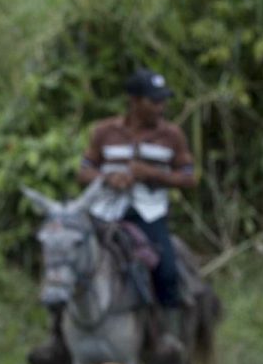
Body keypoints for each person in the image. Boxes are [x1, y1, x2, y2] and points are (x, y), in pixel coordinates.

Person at [78, 68, 197, 311]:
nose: (161, 107)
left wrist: (153, 175)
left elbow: (189, 177)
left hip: (149, 214)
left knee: (167, 272)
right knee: (70, 263)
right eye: (154, 101)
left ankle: (166, 331)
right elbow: (83, 171)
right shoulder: (104, 131)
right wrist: (107, 178)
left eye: (163, 101)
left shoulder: (171, 135)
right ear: (134, 101)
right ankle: (60, 335)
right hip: (105, 214)